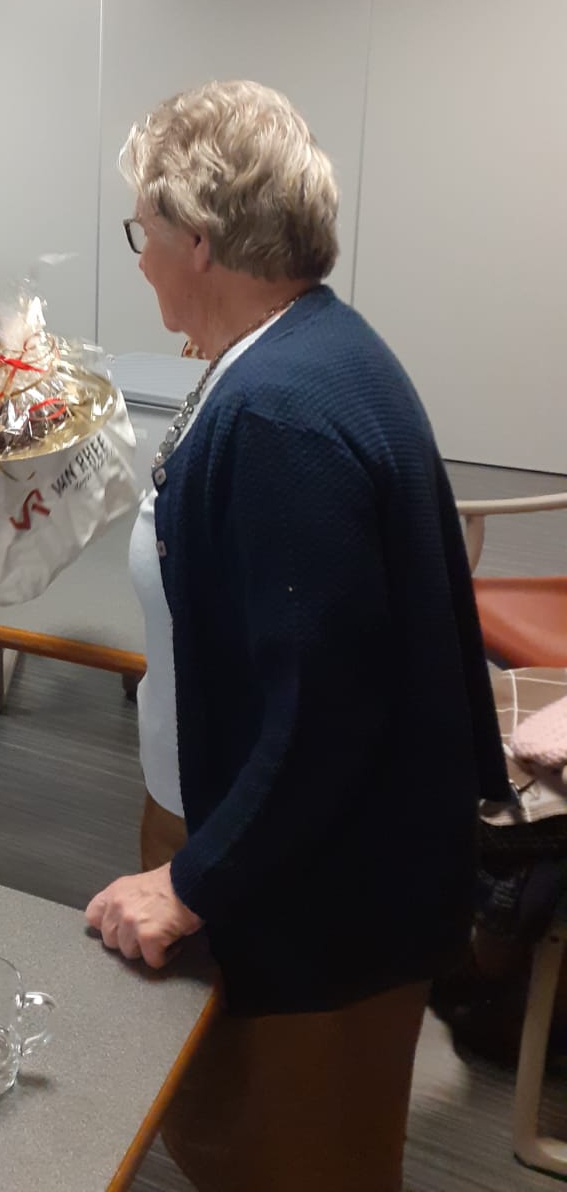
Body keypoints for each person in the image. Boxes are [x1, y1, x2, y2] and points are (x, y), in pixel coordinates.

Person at [86, 80, 508, 1192]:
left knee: (302, 1157)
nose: (140, 258)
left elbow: (327, 707)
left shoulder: (280, 413)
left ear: (199, 241)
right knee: (240, 1129)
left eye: (143, 229)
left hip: (319, 880)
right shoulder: (301, 349)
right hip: (269, 835)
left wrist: (195, 879)